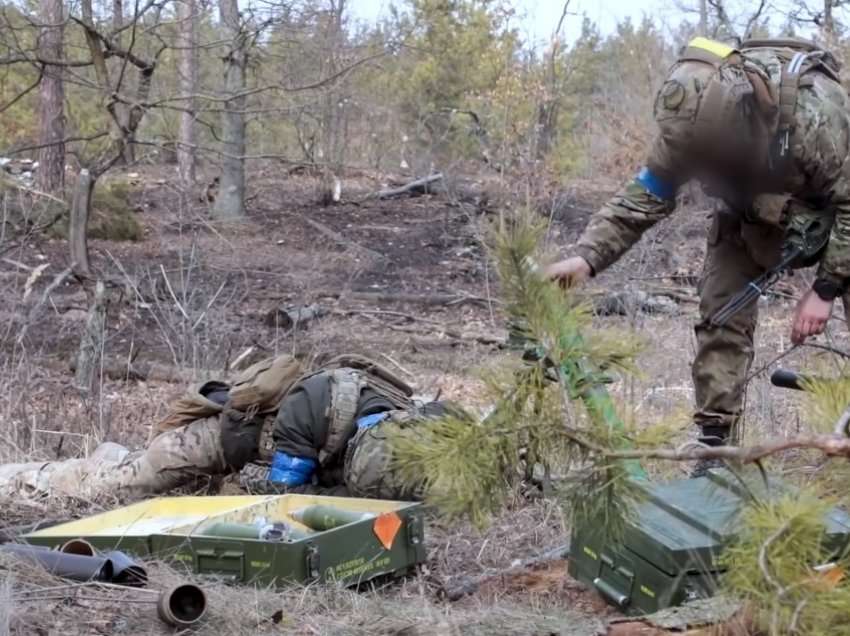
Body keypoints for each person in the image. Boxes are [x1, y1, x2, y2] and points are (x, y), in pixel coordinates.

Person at [543, 37, 850, 472]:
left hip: (840, 215)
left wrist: (825, 288)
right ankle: (715, 452)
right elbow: (646, 196)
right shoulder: (685, 130)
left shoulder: (813, 116)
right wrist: (587, 258)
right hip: (752, 218)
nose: (700, 159)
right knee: (719, 315)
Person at [0, 353, 452, 501]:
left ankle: (116, 454)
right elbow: (279, 499)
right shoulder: (310, 416)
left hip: (265, 446)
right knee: (115, 486)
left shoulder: (403, 419)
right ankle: (25, 477)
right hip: (215, 441)